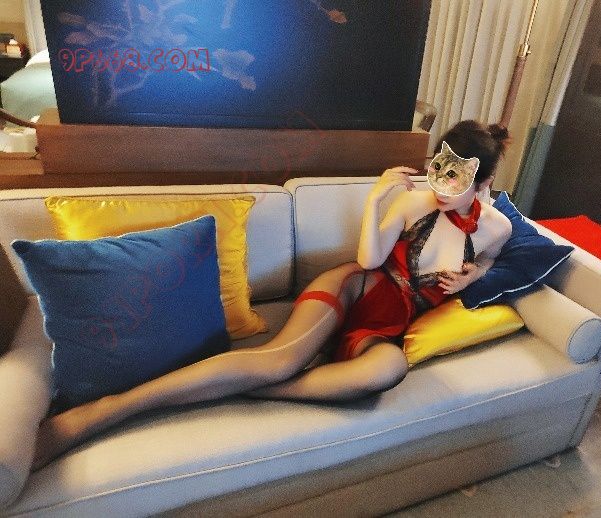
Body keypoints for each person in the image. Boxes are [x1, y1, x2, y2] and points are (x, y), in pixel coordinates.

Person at [31, 120, 512, 470]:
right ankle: (105, 410)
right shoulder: (415, 201)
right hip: (355, 286)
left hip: (385, 324)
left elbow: (492, 262)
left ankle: (230, 383)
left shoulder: (497, 228)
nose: (442, 186)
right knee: (278, 360)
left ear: (485, 181)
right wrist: (376, 198)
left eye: (457, 179)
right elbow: (369, 260)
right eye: (438, 169)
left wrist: (474, 277)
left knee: (388, 371)